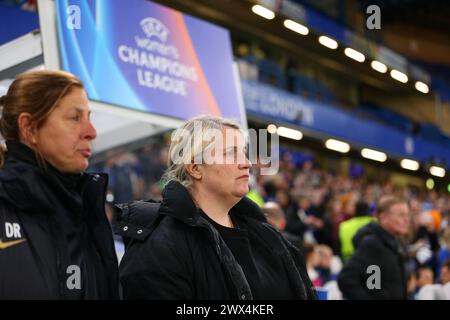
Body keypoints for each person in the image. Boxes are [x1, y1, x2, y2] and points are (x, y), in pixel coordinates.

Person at [116, 115, 315, 300]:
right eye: (231, 153)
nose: (246, 163)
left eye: (244, 153)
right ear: (195, 168)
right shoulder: (160, 245)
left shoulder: (268, 235)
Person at [0, 70, 119, 299]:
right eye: (75, 118)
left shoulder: (83, 210)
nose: (91, 132)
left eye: (89, 117)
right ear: (30, 127)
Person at [337, 195, 410, 299]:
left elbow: (378, 283)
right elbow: (346, 279)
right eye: (401, 215)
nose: (406, 220)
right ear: (383, 217)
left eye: (407, 215)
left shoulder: (396, 243)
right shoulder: (372, 244)